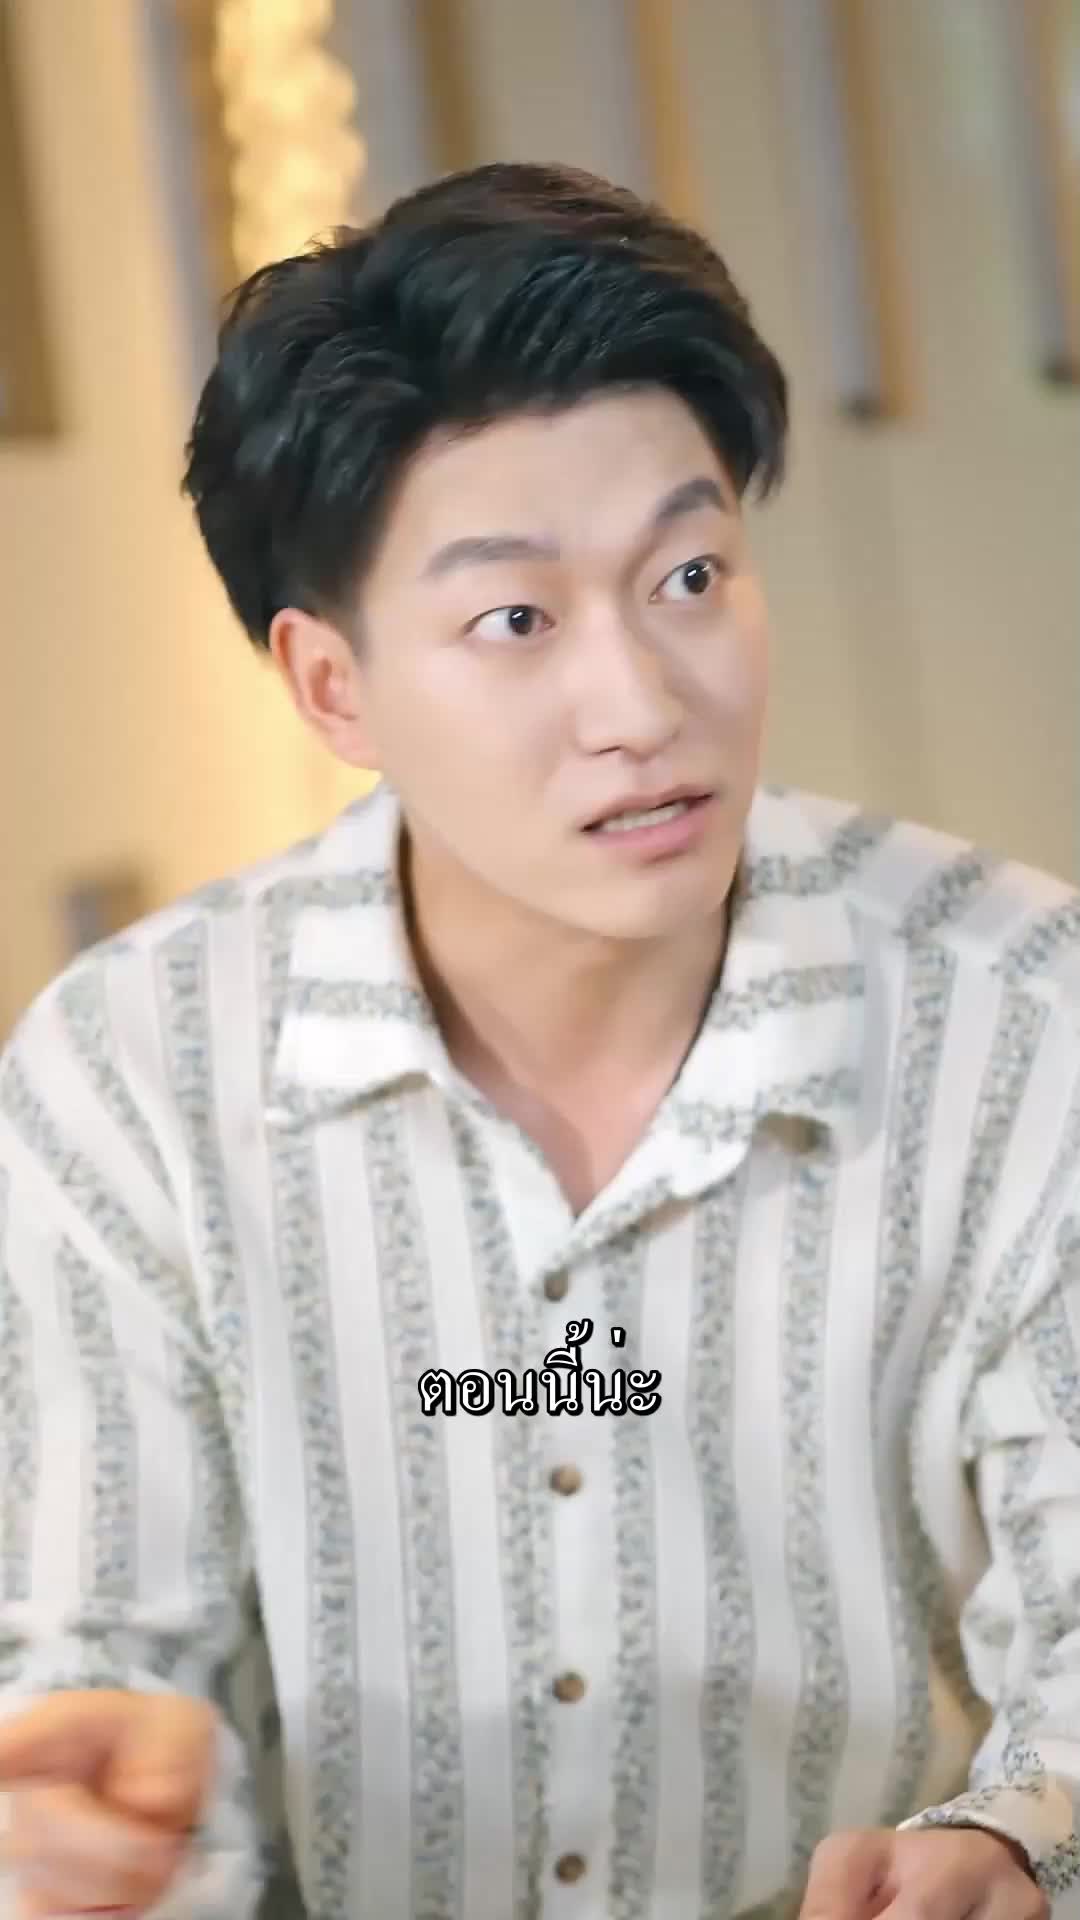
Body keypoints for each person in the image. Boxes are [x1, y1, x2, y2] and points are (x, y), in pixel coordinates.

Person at [0, 161, 1076, 1920]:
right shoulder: (129, 1077)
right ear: (333, 684)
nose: (642, 705)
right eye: (515, 619)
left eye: (691, 574)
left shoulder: (1027, 1020)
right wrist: (92, 1826)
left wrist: (1019, 1847)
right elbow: (92, 1661)